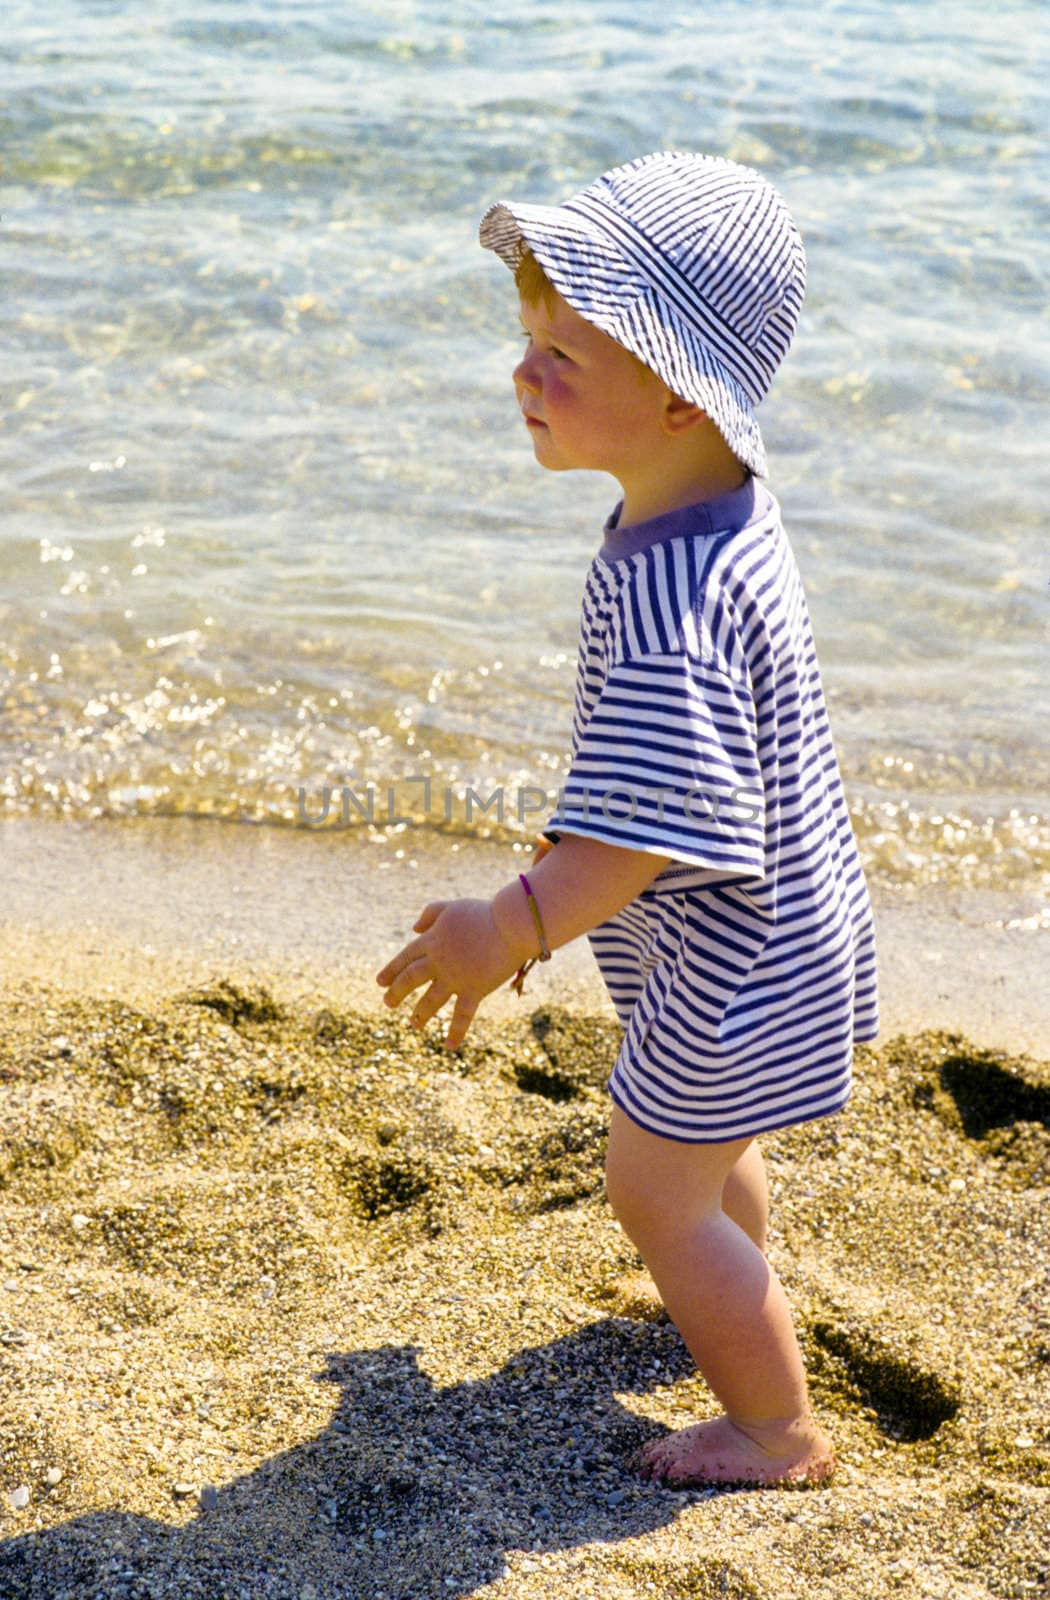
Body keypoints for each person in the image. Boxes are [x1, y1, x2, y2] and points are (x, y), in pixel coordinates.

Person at [376, 151, 879, 1488]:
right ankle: (731, 1290)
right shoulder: (719, 512)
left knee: (652, 1188)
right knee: (704, 1157)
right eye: (526, 341)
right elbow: (682, 771)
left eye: (562, 354)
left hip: (733, 961)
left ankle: (776, 1428)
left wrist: (512, 924)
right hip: (780, 928)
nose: (521, 374)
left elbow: (647, 823)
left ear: (675, 393)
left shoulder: (666, 593)